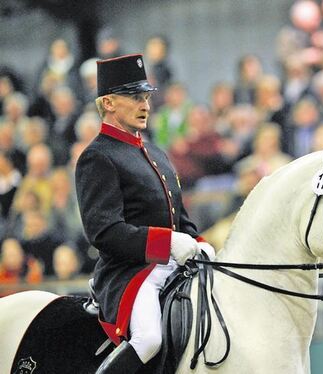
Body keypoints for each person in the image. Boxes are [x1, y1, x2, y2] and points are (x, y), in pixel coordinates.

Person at [74, 54, 216, 373]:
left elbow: (178, 215)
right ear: (108, 103)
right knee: (149, 339)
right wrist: (166, 244)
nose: (146, 105)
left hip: (174, 264)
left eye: (147, 97)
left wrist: (199, 241)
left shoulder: (154, 152)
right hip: (131, 275)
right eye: (136, 97)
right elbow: (104, 232)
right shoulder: (97, 157)